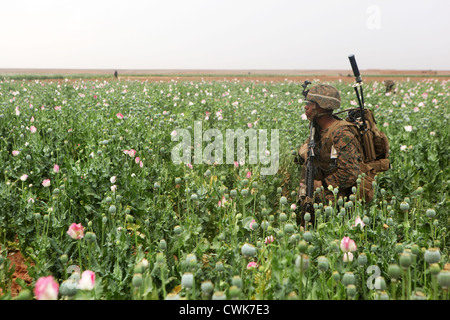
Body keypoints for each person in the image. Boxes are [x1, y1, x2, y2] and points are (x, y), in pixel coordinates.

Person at [296, 84, 372, 215]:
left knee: (318, 202)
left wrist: (323, 184)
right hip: (323, 188)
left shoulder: (341, 134)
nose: (305, 106)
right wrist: (302, 153)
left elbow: (349, 173)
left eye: (309, 103)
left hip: (340, 197)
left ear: (321, 107)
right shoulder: (318, 128)